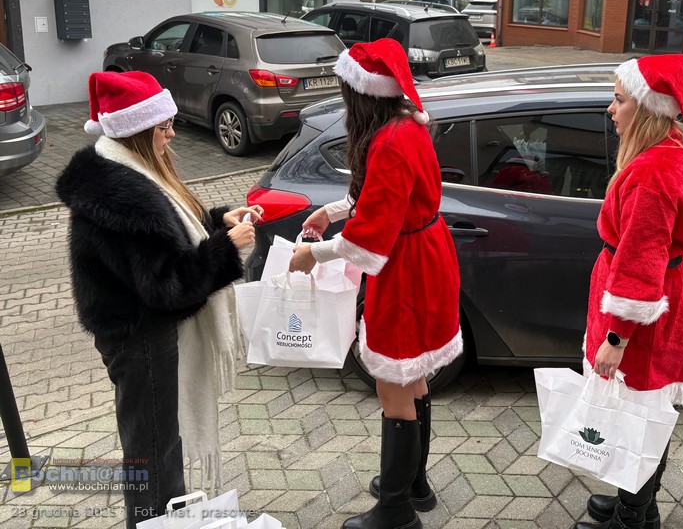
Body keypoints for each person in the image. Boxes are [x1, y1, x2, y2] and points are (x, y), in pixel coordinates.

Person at [55, 71, 262, 529]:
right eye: (165, 126)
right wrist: (225, 249)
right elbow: (167, 285)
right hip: (141, 336)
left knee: (156, 442)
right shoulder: (126, 196)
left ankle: (167, 517)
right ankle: (152, 521)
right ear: (139, 130)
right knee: (153, 449)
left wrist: (216, 220)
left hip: (135, 331)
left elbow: (167, 237)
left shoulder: (121, 170)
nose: (173, 134)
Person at [289, 39, 462, 529]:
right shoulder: (408, 126)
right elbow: (389, 197)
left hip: (405, 269)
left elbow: (369, 240)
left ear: (360, 93)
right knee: (415, 373)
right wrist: (332, 211)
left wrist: (312, 254)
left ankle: (395, 510)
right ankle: (413, 485)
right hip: (427, 255)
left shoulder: (386, 141)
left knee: (393, 384)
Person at [574, 54, 683, 529]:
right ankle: (640, 506)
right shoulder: (674, 149)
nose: (610, 109)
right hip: (665, 299)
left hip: (646, 313)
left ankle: (633, 518)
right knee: (647, 412)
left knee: (640, 414)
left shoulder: (652, 172)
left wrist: (616, 337)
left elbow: (641, 263)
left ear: (648, 108)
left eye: (619, 100)